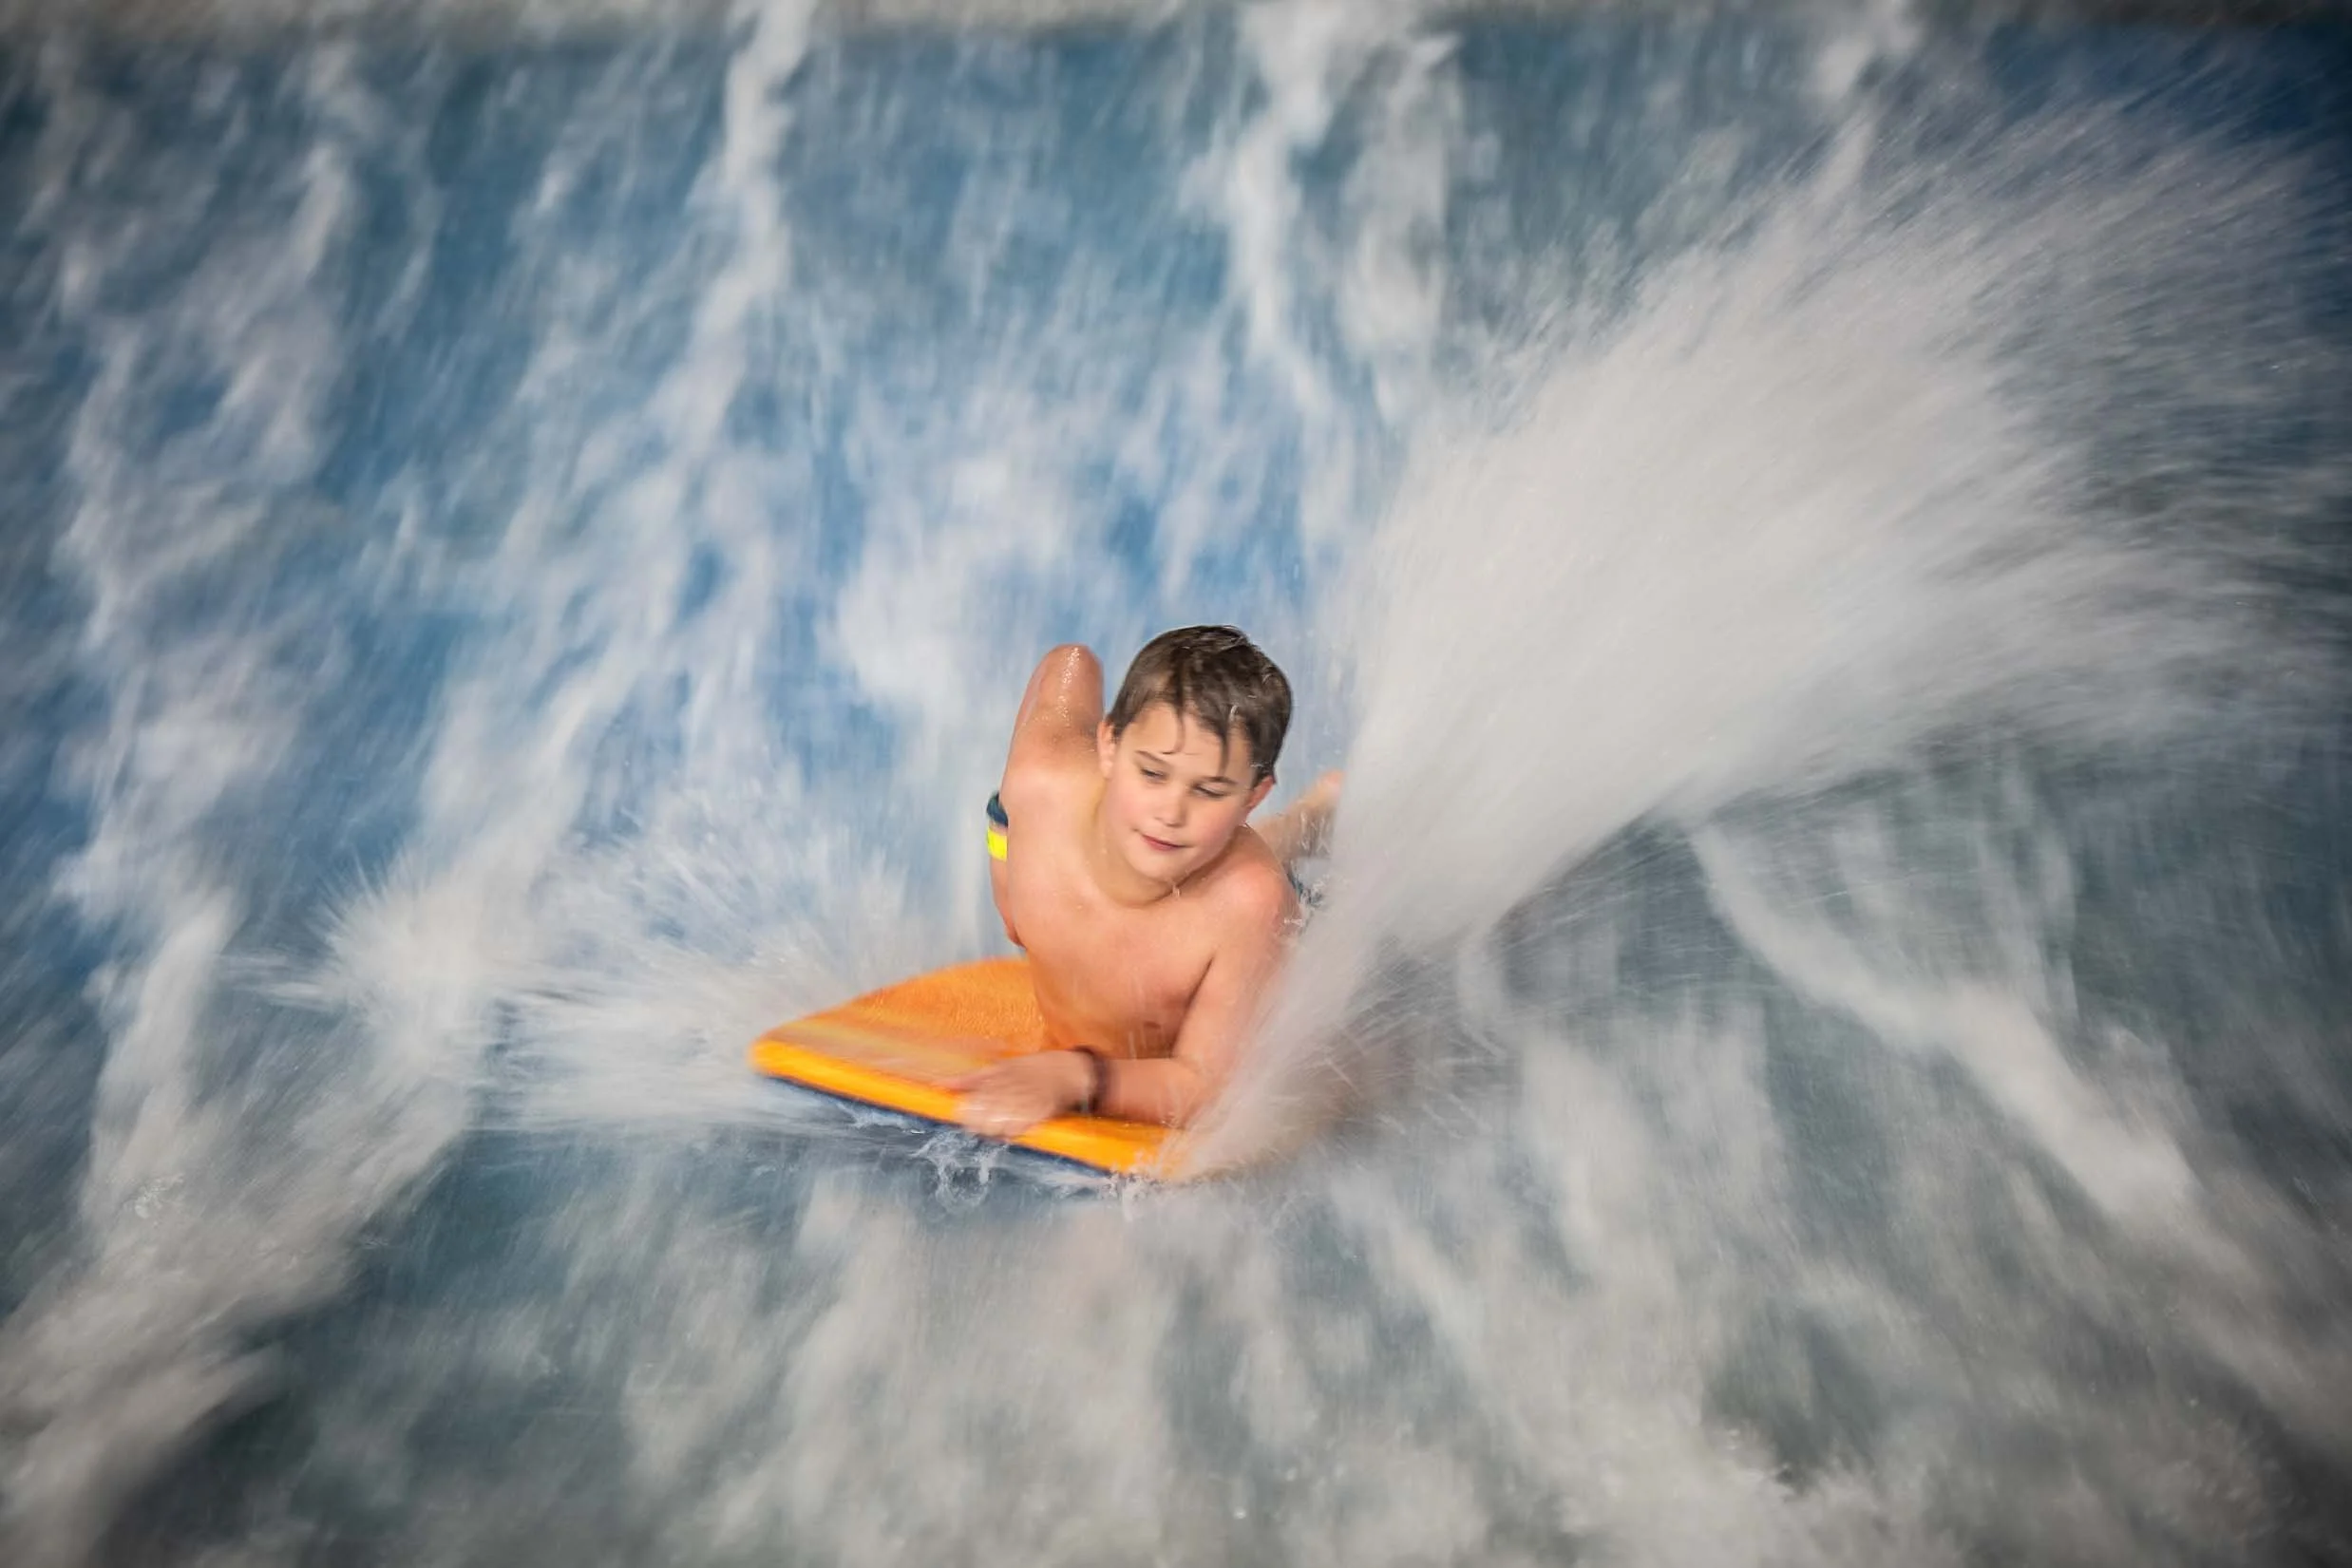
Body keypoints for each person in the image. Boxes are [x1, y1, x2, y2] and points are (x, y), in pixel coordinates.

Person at [953, 626, 1339, 1138]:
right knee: (1201, 849)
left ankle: (1313, 817)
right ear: (1110, 744)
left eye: (1209, 790)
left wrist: (1080, 1075)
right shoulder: (1042, 777)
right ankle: (1315, 814)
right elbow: (1068, 663)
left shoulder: (1253, 903)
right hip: (1210, 859)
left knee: (1238, 872)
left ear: (1252, 797)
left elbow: (1206, 1089)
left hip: (1282, 922)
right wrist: (1005, 859)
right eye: (1153, 774)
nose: (1171, 811)